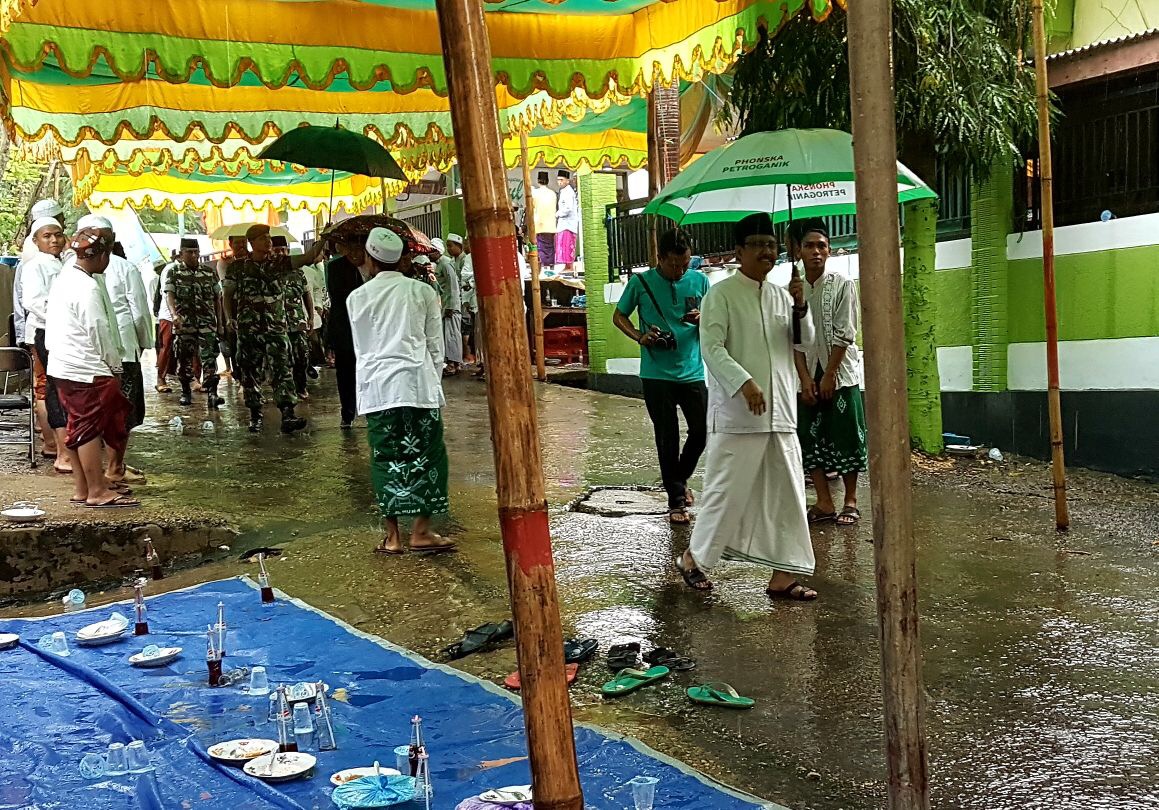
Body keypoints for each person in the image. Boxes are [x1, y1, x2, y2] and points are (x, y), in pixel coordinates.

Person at [676, 212, 818, 601]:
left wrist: (801, 307)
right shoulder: (720, 294)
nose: (766, 252)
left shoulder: (782, 294)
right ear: (739, 251)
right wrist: (744, 383)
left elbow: (802, 343)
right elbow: (712, 348)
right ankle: (694, 559)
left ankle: (783, 575)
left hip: (781, 413)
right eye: (757, 245)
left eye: (771, 245)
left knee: (789, 494)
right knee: (726, 490)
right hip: (739, 414)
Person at [346, 227, 456, 556]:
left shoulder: (356, 298)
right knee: (429, 455)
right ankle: (421, 531)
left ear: (368, 258)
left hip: (379, 390)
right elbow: (435, 346)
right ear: (401, 259)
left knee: (385, 458)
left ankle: (392, 537)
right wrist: (432, 383)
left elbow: (361, 349)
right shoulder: (422, 293)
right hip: (418, 385)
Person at [612, 228, 710, 525]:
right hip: (656, 374)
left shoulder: (700, 280)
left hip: (692, 371)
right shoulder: (640, 282)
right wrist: (640, 337)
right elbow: (619, 316)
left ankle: (677, 481)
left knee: (702, 432)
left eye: (685, 264)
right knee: (666, 437)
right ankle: (676, 500)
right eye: (674, 265)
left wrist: (704, 319)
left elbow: (718, 318)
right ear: (660, 258)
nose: (680, 271)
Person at [44, 218, 138, 509]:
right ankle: (97, 490)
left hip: (62, 364)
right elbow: (99, 331)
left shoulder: (65, 277)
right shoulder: (86, 287)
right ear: (102, 255)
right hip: (86, 368)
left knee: (76, 426)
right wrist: (115, 367)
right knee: (87, 430)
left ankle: (83, 487)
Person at [791, 220, 867, 525]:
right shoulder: (791, 289)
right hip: (807, 374)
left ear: (830, 250)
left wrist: (830, 373)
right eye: (809, 246)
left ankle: (850, 500)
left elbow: (844, 332)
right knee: (809, 437)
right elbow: (792, 339)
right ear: (798, 251)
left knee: (846, 434)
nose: (816, 252)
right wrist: (806, 378)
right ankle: (823, 501)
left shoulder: (842, 284)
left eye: (821, 246)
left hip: (841, 373)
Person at [223, 224, 321, 433]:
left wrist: (323, 237)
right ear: (252, 243)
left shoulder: (280, 263)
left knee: (282, 370)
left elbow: (309, 257)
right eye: (262, 239)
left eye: (269, 238)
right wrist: (230, 318)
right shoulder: (238, 268)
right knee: (250, 372)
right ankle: (255, 415)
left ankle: (287, 415)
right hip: (249, 329)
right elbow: (227, 295)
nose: (268, 242)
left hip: (276, 327)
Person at [20, 216, 70, 472]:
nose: (53, 240)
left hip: (63, 333)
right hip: (47, 331)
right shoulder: (35, 266)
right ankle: (60, 450)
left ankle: (63, 449)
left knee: (61, 389)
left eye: (58, 235)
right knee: (52, 388)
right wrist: (64, 315)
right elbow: (33, 301)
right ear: (36, 240)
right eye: (47, 236)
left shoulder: (64, 263)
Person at [103, 241, 152, 484]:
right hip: (123, 349)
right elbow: (140, 312)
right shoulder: (124, 268)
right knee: (123, 409)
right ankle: (115, 466)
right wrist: (144, 342)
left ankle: (106, 466)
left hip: (84, 354)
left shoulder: (67, 270)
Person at [165, 237, 223, 410]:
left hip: (207, 323)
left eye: (196, 252)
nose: (193, 255)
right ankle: (185, 392)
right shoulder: (174, 273)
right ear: (181, 254)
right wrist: (174, 315)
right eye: (189, 252)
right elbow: (170, 295)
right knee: (184, 360)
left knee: (210, 359)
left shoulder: (208, 272)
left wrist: (220, 323)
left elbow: (217, 298)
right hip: (185, 325)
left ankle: (213, 394)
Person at [324, 237, 366, 429]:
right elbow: (339, 296)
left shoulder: (372, 266)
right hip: (344, 328)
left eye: (360, 248)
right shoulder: (335, 267)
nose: (356, 254)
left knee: (367, 371)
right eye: (352, 248)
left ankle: (367, 408)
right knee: (345, 372)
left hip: (368, 329)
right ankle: (347, 413)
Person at [276, 236, 315, 400]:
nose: (280, 253)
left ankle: (301, 387)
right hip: (277, 323)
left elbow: (307, 295)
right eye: (277, 250)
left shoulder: (298, 273)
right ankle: (285, 390)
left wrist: (311, 317)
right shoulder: (270, 272)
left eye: (283, 250)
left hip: (297, 322)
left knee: (302, 356)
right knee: (281, 359)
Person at [432, 240, 463, 376]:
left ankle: (453, 364)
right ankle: (453, 363)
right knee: (448, 335)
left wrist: (451, 306)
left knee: (452, 336)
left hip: (451, 306)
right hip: (445, 305)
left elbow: (453, 286)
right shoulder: (440, 263)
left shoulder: (445, 263)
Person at [154, 255, 177, 393]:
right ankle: (161, 379)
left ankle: (196, 379)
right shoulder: (170, 269)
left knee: (193, 348)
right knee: (166, 346)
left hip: (188, 315)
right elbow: (166, 293)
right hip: (168, 315)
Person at [531, 171, 557, 270]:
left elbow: (532, 206)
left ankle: (543, 267)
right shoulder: (553, 193)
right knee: (550, 248)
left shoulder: (535, 193)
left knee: (541, 248)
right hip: (551, 225)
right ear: (548, 181)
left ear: (538, 181)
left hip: (540, 225)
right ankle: (550, 267)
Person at [554, 170, 579, 274]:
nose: (559, 182)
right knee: (564, 245)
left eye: (561, 180)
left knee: (567, 245)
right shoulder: (564, 191)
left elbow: (568, 208)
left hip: (568, 225)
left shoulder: (568, 192)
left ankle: (569, 266)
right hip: (564, 224)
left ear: (567, 181)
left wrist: (557, 214)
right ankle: (567, 265)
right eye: (558, 180)